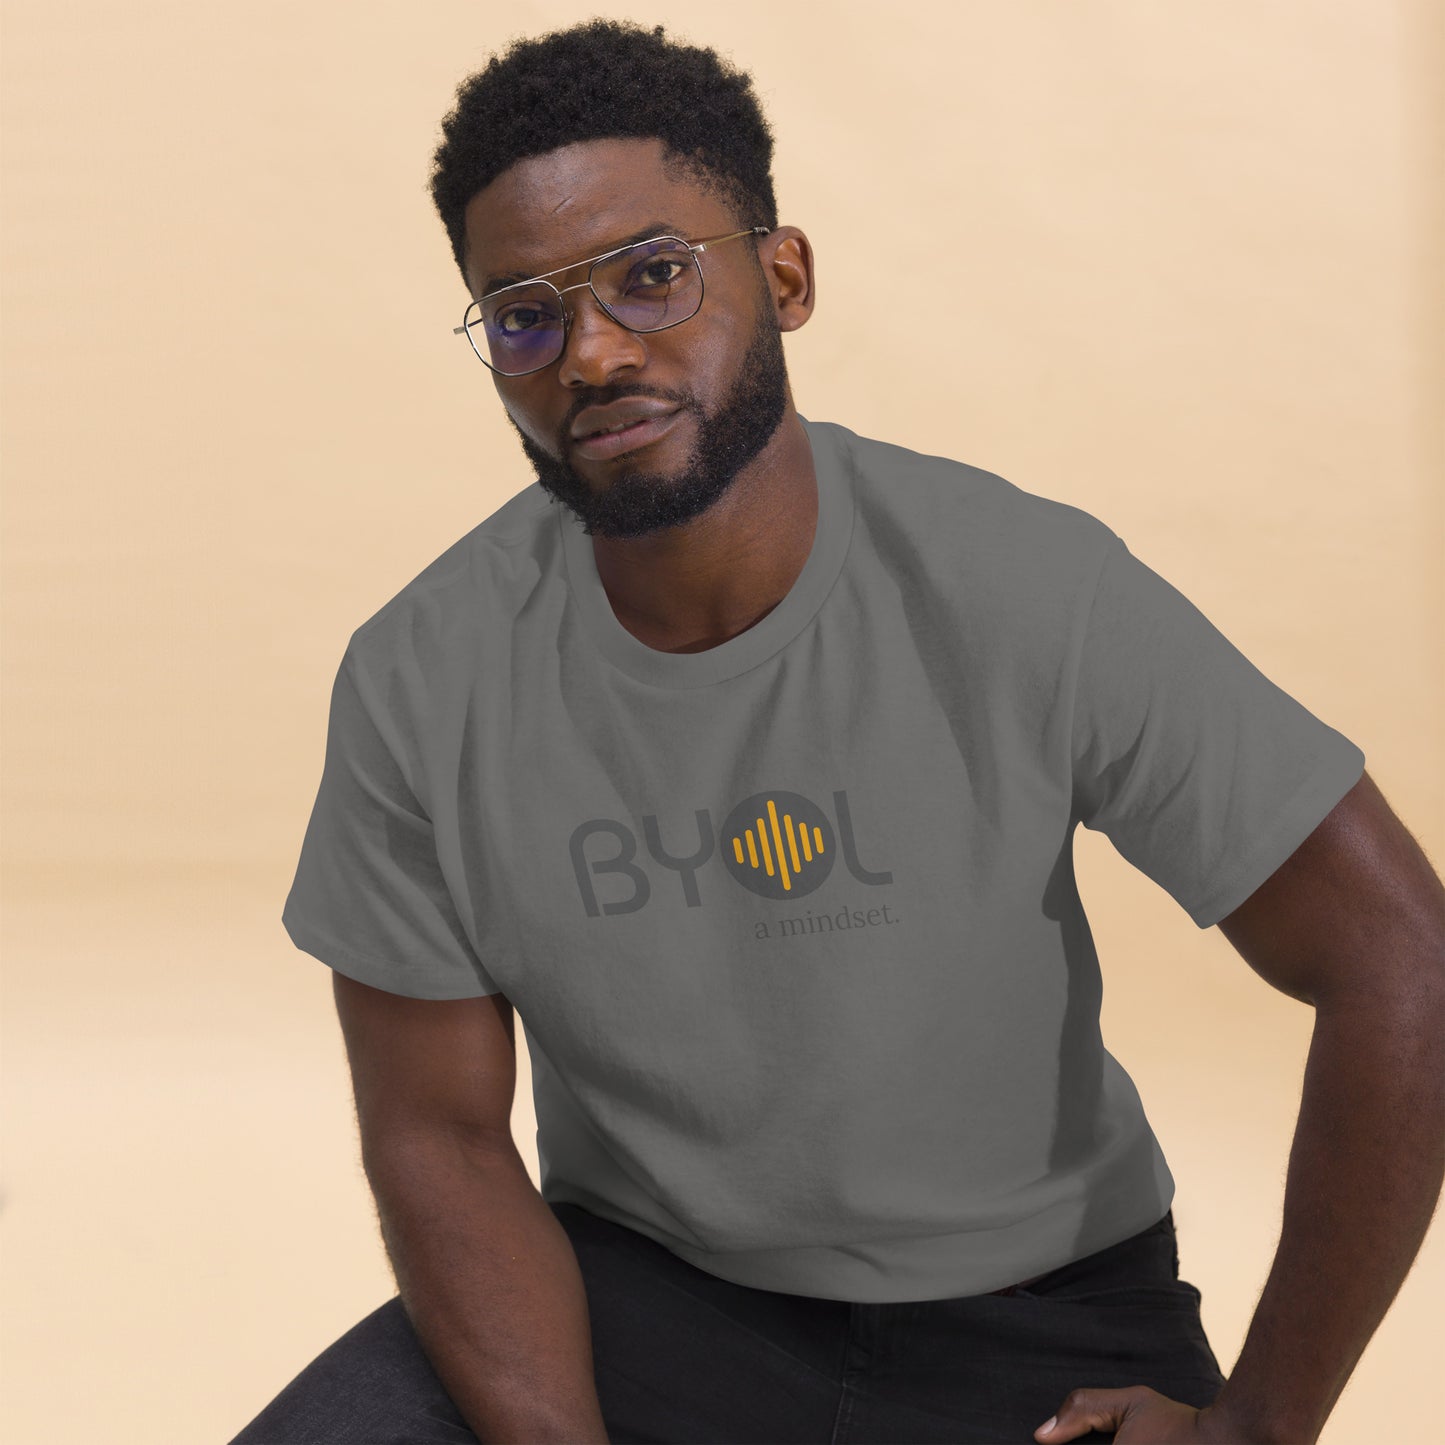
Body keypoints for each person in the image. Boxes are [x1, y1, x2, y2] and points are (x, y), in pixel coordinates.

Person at [230, 18, 1445, 1445]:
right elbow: (435, 1132)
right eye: (524, 315)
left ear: (783, 276)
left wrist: (1260, 1423)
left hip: (1035, 1324)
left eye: (652, 274)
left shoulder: (1021, 586)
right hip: (645, 1300)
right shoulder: (419, 676)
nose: (594, 352)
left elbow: (1398, 957)